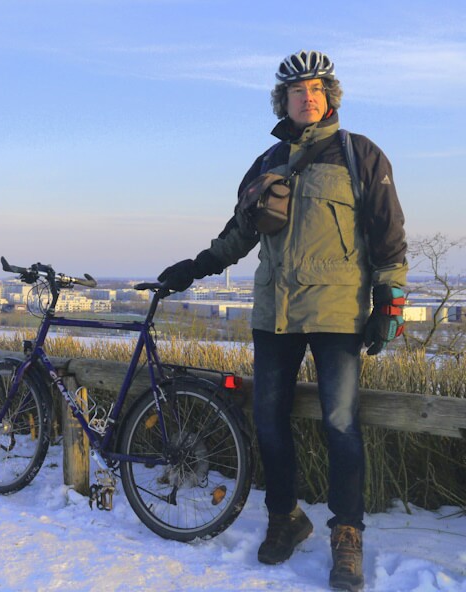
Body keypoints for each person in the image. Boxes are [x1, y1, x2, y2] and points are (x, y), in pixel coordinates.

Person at [158, 50, 407, 592]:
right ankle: (285, 518)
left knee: (340, 425)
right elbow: (237, 236)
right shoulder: (267, 162)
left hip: (338, 313)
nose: (308, 97)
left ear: (330, 97)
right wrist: (192, 269)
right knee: (268, 420)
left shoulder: (360, 155)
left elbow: (389, 235)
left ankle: (347, 535)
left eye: (317, 89)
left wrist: (390, 301)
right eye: (298, 91)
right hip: (274, 314)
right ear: (284, 100)